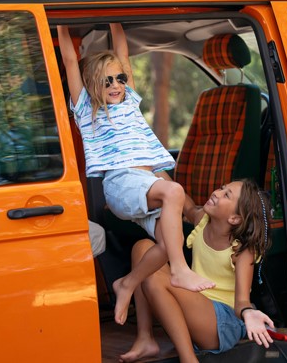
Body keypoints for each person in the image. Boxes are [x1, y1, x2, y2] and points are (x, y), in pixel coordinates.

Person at [57, 23, 215, 326]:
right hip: (122, 184)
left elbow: (124, 53)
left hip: (145, 184)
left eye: (120, 78)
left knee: (168, 242)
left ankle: (127, 284)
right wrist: (61, 22)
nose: (116, 85)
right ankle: (180, 270)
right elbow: (68, 61)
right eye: (107, 81)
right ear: (91, 85)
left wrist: (115, 19)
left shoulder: (128, 101)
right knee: (174, 191)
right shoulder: (88, 110)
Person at [119, 179, 274, 363]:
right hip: (193, 304)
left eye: (226, 195)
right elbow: (185, 203)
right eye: (221, 187)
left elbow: (241, 301)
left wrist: (248, 312)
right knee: (142, 248)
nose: (217, 192)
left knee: (154, 278)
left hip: (221, 323)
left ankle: (188, 359)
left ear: (234, 218)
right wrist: (156, 170)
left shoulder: (241, 250)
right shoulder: (202, 220)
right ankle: (145, 338)